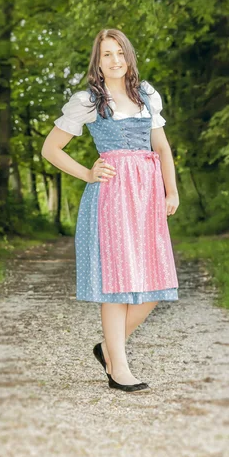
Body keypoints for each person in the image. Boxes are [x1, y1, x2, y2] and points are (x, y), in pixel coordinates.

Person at [41, 28, 179, 393]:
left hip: (148, 196)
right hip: (112, 197)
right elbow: (51, 149)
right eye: (107, 55)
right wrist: (87, 172)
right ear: (97, 62)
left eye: (120, 53)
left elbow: (162, 148)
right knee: (117, 284)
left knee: (155, 283)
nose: (115, 60)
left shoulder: (146, 95)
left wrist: (172, 191)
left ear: (128, 56)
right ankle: (119, 368)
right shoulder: (89, 100)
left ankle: (106, 349)